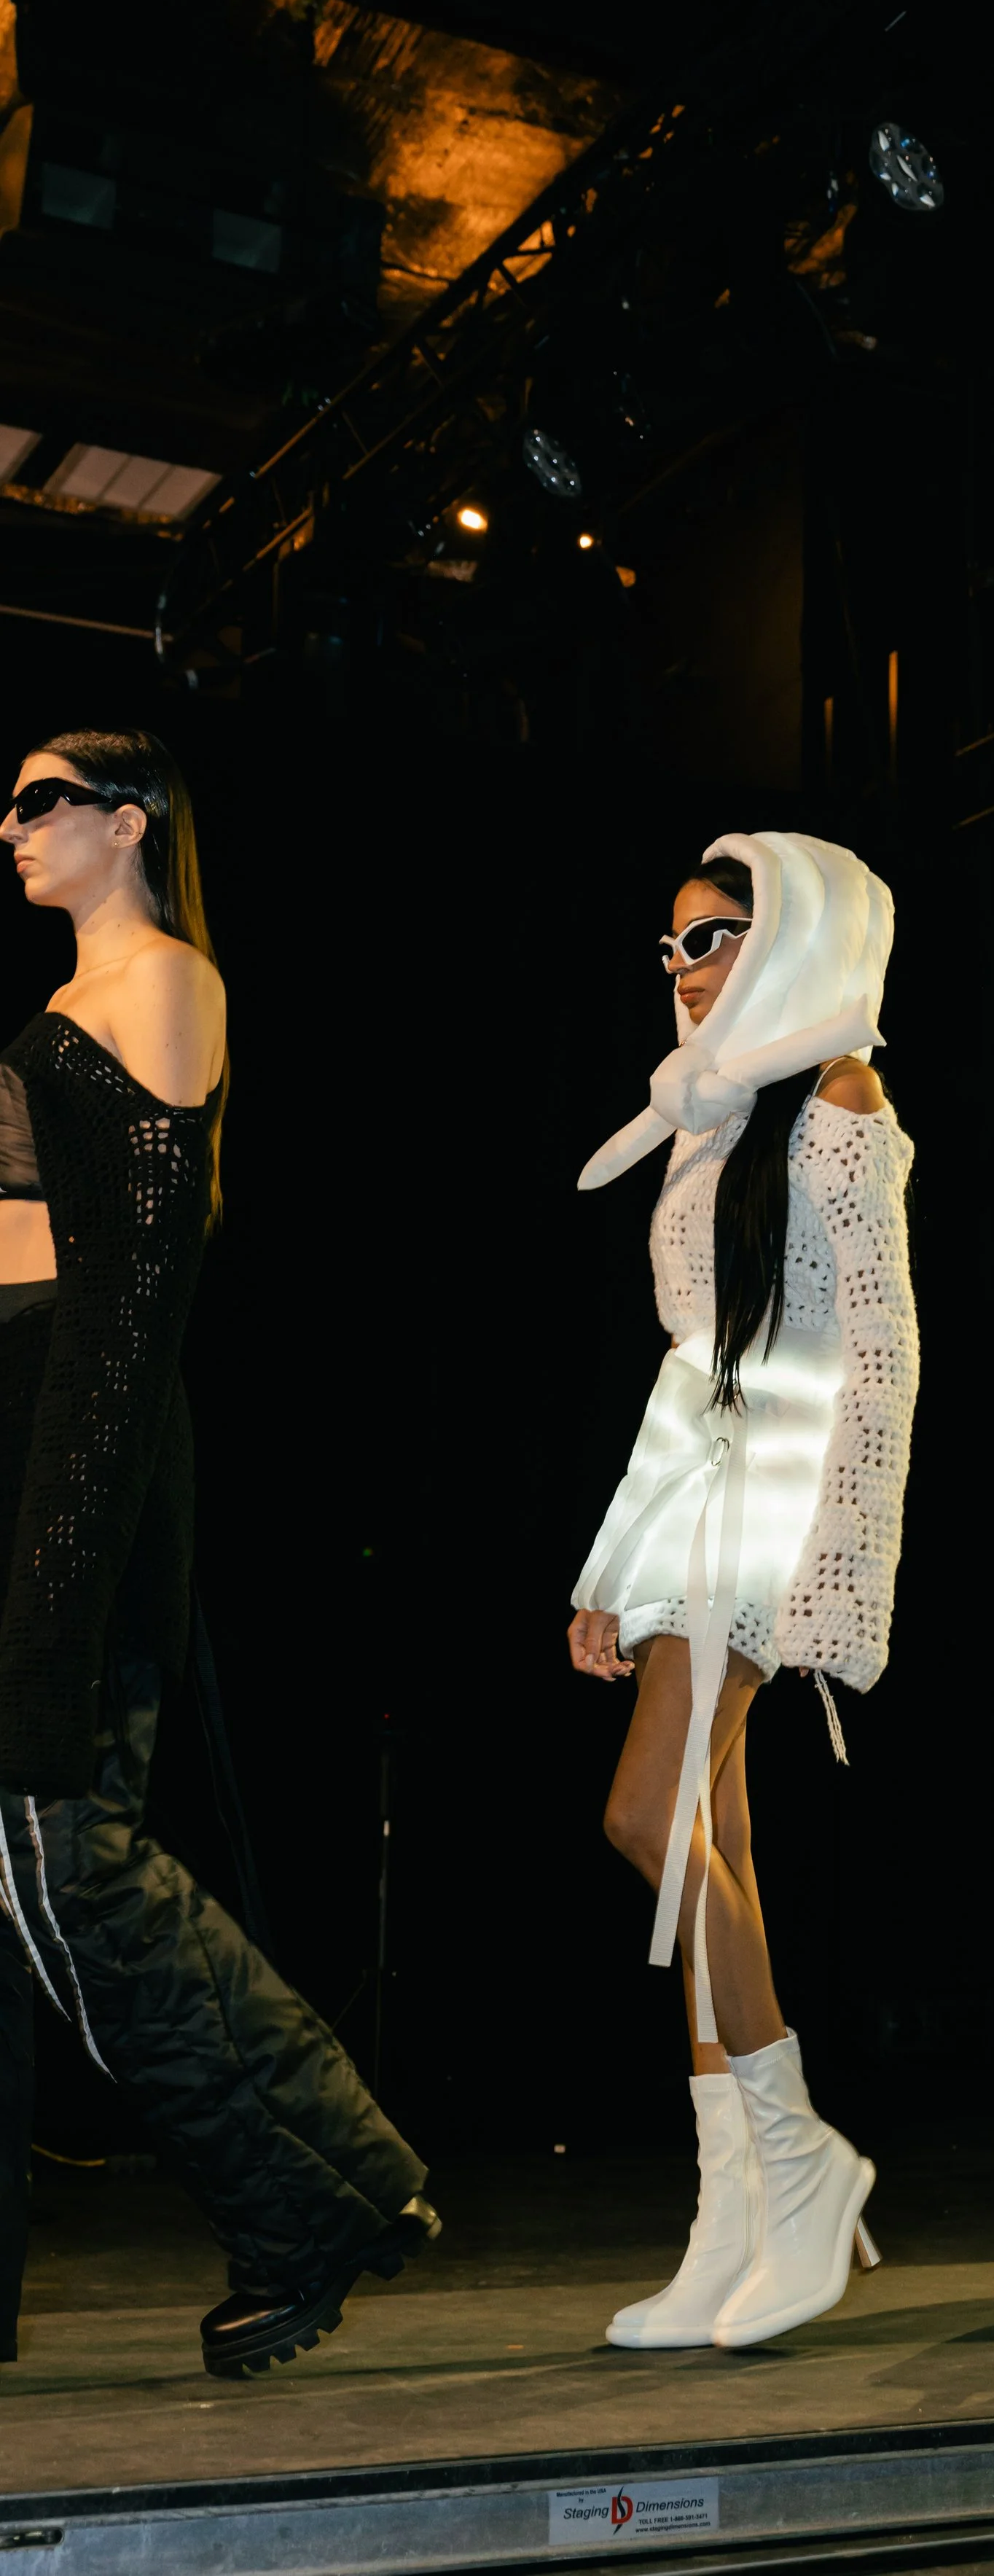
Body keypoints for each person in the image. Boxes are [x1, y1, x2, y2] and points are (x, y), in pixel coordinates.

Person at [0, 731, 435, 2378]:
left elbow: (138, 1288)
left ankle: (310, 2198)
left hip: (86, 1467)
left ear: (129, 822)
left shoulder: (168, 979)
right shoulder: (76, 998)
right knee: (52, 1871)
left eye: (39, 798)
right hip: (31, 1454)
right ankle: (349, 2180)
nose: (9, 823)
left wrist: (64, 1544)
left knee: (70, 1869)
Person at [568, 832, 917, 2353]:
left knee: (645, 1820)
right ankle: (736, 2212)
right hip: (697, 1495)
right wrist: (613, 1564)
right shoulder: (709, 1117)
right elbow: (688, 1362)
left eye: (711, 936)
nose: (685, 968)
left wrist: (835, 1555)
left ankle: (800, 2153)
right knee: (708, 1843)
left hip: (778, 1500)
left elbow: (881, 1351)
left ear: (788, 936)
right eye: (670, 946)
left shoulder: (837, 1099)